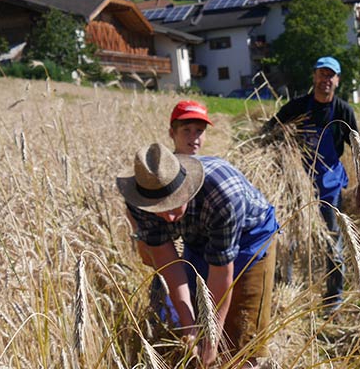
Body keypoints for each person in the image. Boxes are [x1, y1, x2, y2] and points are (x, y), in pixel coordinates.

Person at [119, 141, 279, 366]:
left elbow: (221, 272)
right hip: (197, 240)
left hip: (250, 237)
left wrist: (212, 339)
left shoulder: (223, 198)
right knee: (192, 320)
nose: (170, 218)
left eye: (173, 206)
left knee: (241, 335)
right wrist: (189, 326)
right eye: (159, 210)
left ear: (186, 189)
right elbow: (169, 265)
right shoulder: (140, 200)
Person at [266, 56, 360, 312]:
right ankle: (285, 292)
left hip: (330, 185)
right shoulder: (297, 107)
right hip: (297, 186)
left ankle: (334, 297)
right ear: (314, 77)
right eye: (322, 74)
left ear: (337, 80)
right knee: (287, 237)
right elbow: (269, 133)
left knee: (333, 242)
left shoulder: (344, 111)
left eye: (330, 75)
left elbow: (357, 151)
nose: (326, 80)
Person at [131, 100, 215, 327]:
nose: (194, 137)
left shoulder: (210, 175)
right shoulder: (159, 172)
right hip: (170, 247)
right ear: (172, 133)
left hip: (204, 247)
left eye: (199, 131)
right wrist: (141, 236)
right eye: (186, 130)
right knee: (167, 290)